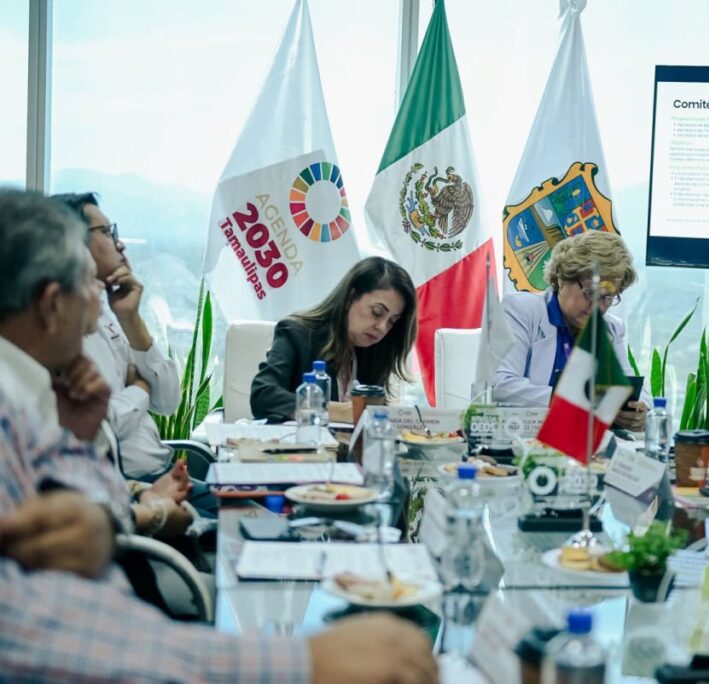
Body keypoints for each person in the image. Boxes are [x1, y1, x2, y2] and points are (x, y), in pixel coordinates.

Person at [0, 189, 438, 683]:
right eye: (88, 284)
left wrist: (98, 459)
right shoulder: (12, 409)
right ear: (51, 305)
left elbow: (87, 518)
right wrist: (304, 662)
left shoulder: (42, 398)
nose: (97, 305)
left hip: (150, 527)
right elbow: (31, 629)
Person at [51, 192, 181, 480]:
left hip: (162, 475)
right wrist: (139, 391)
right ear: (73, 241)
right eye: (108, 232)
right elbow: (96, 428)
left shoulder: (107, 314)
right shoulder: (57, 332)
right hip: (126, 487)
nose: (120, 243)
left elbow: (168, 400)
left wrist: (130, 318)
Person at [493, 231, 649, 430]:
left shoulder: (610, 328)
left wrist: (637, 411)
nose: (597, 307)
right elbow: (501, 385)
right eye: (590, 293)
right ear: (562, 279)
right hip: (520, 436)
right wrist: (578, 402)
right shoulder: (521, 310)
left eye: (607, 297)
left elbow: (633, 389)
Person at [251, 256, 417, 423]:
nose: (382, 327)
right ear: (349, 298)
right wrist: (333, 411)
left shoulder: (373, 353)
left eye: (392, 321)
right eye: (377, 312)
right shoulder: (296, 334)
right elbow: (263, 394)